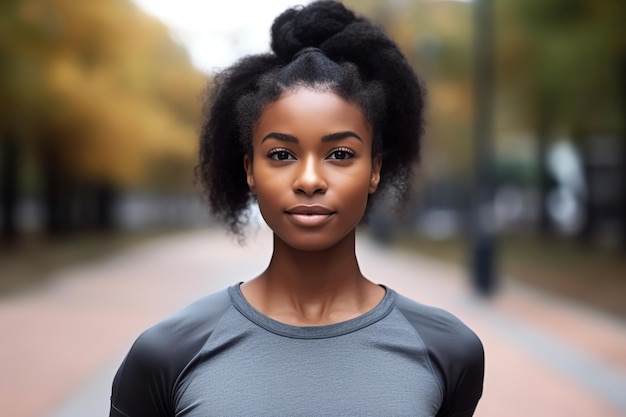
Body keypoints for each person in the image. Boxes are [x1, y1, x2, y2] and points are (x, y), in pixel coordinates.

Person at [109, 1, 484, 416]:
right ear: (250, 170)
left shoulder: (447, 351)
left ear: (375, 170)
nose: (309, 180)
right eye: (282, 154)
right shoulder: (167, 355)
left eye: (340, 153)